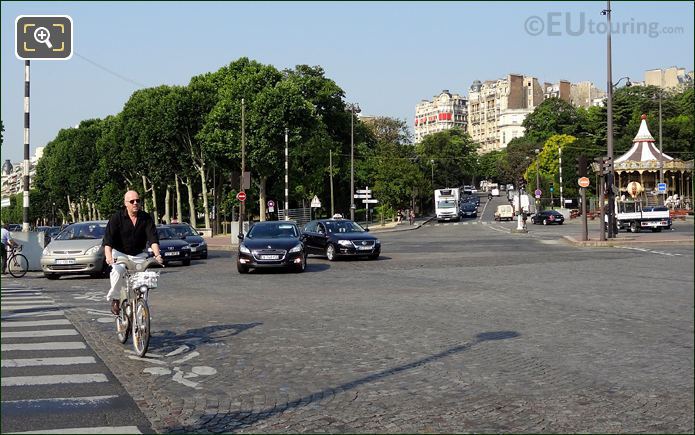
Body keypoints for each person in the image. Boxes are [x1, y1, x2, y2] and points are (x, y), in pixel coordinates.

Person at [103, 190, 163, 315]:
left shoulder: (145, 218)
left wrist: (157, 255)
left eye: (138, 200)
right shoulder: (116, 218)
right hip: (120, 254)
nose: (135, 203)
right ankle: (115, 299)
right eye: (132, 201)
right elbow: (108, 241)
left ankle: (142, 312)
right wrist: (109, 257)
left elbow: (153, 239)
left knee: (145, 279)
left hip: (139, 254)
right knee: (118, 271)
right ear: (126, 204)